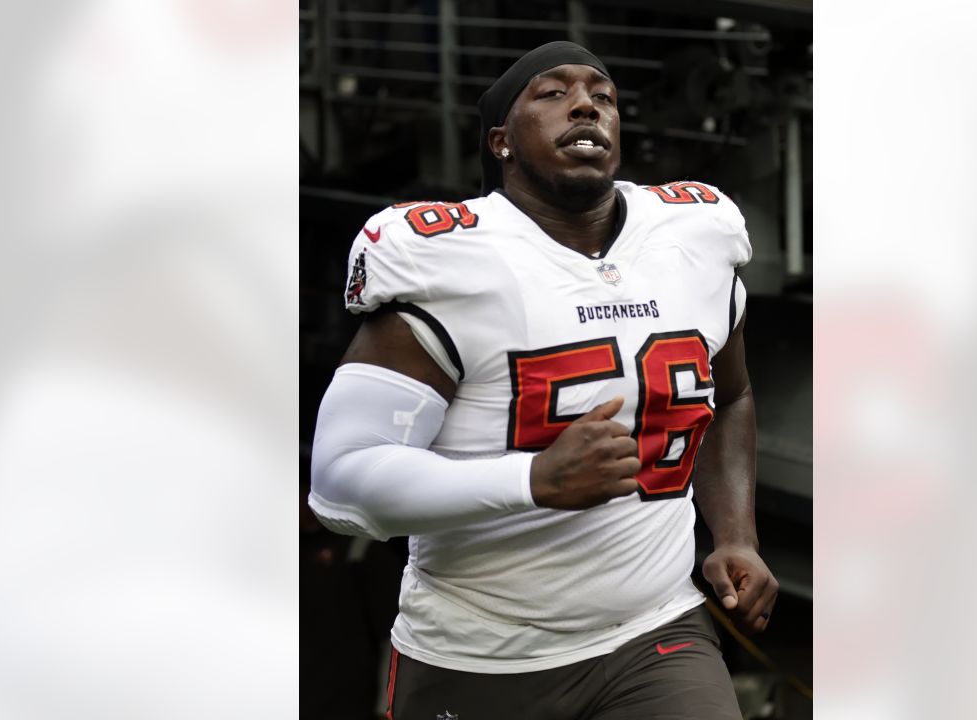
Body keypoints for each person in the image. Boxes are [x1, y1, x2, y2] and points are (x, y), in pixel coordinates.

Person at [310, 41, 777, 720]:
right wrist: (532, 481)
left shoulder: (690, 242)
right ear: (501, 140)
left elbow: (730, 394)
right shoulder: (451, 261)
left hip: (655, 632)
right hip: (482, 656)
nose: (586, 103)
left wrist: (735, 533)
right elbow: (339, 480)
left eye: (603, 94)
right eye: (553, 93)